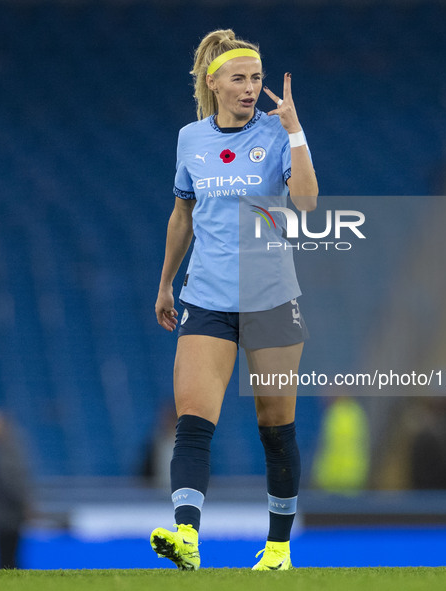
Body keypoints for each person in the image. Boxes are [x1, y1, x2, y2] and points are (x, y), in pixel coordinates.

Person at [150, 29, 318, 571]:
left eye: (257, 79)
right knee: (193, 420)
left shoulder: (276, 134)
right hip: (207, 298)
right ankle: (187, 538)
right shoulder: (190, 139)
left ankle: (277, 549)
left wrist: (295, 132)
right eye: (240, 79)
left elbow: (308, 203)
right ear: (213, 82)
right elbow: (182, 215)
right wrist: (165, 282)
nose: (251, 88)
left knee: (276, 426)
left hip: (271, 301)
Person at [0, 408, 32, 569]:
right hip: (6, 515)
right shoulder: (3, 449)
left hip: (8, 515)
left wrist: (25, 504)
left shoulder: (6, 450)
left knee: (7, 559)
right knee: (8, 557)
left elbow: (12, 482)